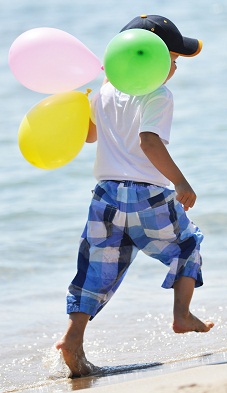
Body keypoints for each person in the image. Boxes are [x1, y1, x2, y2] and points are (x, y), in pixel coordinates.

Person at [56, 14, 214, 377]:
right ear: (148, 57)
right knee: (187, 245)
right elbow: (148, 140)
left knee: (95, 270)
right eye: (171, 59)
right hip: (148, 195)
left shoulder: (104, 91)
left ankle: (73, 339)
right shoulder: (158, 94)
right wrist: (182, 183)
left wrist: (84, 103)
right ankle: (181, 314)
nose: (174, 67)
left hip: (106, 196)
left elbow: (90, 136)